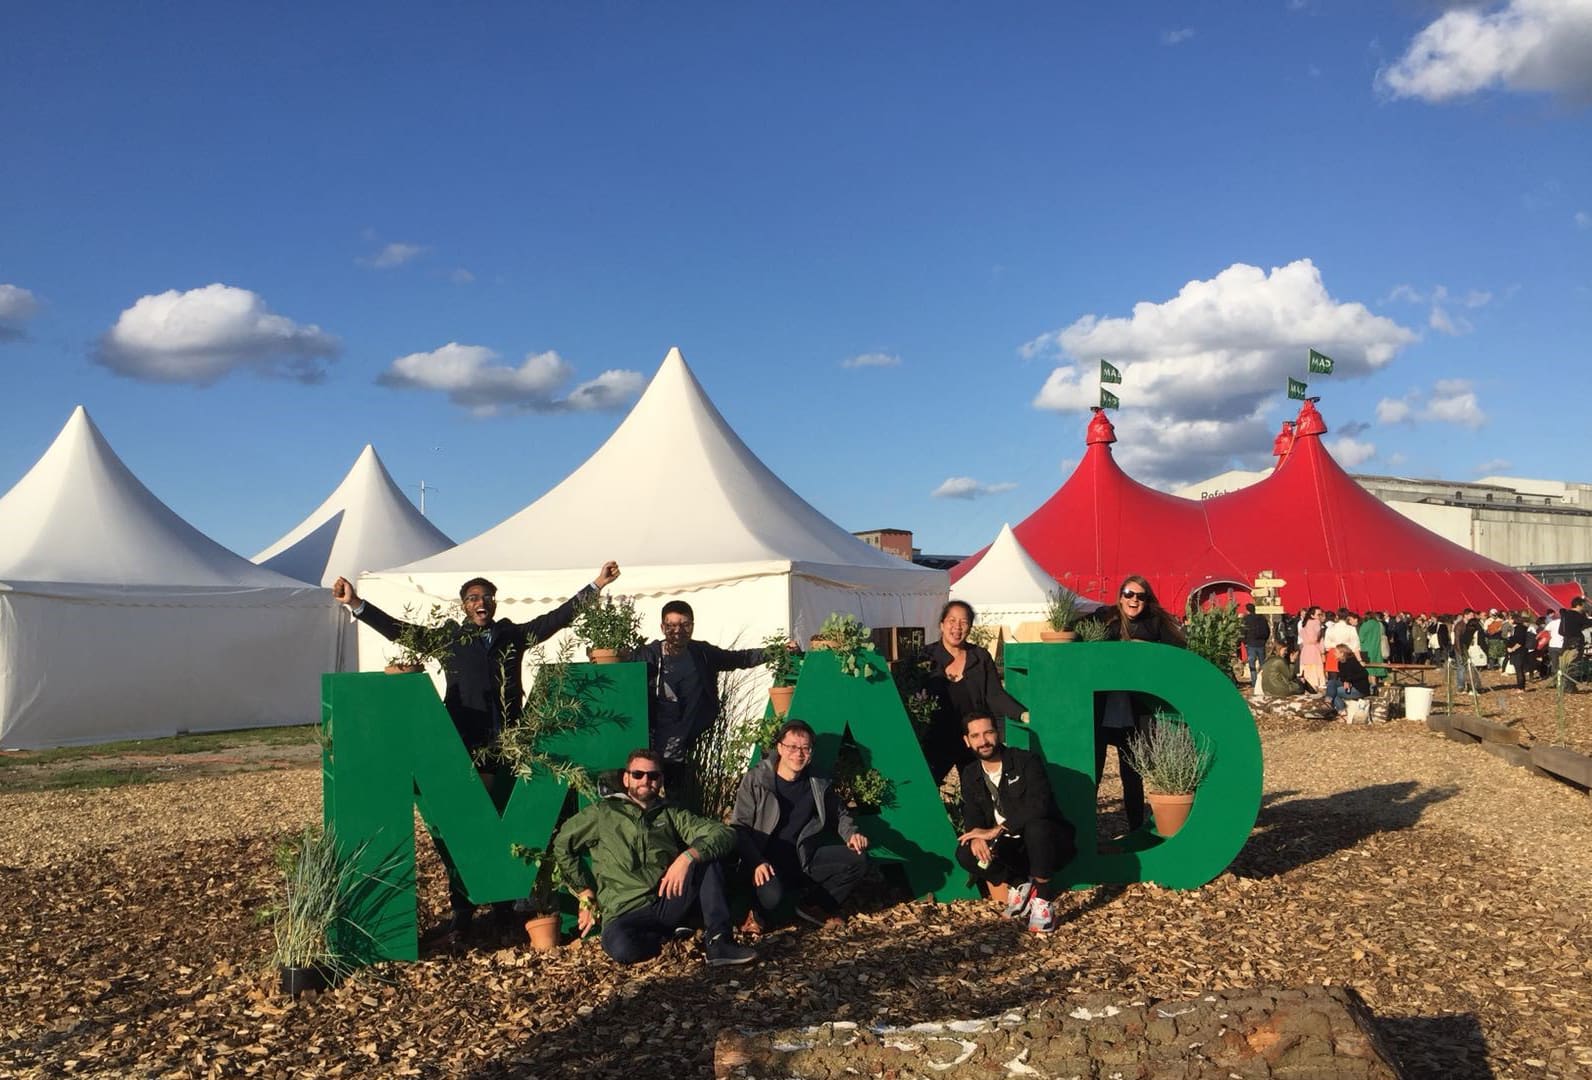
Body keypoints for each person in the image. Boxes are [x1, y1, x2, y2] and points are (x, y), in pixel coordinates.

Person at [333, 561, 621, 940]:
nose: (481, 602)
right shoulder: (450, 639)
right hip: (463, 745)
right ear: (463, 605)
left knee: (504, 826)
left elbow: (557, 618)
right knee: (462, 827)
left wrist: (597, 584)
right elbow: (402, 632)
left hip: (512, 746)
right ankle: (463, 909)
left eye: (486, 597)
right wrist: (356, 604)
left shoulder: (512, 636)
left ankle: (503, 907)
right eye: (473, 598)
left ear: (495, 603)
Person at [552, 746, 756, 967]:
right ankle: (668, 936)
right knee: (623, 949)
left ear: (660, 780)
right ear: (626, 778)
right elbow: (563, 845)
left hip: (666, 898)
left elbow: (723, 833)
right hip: (624, 909)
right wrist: (585, 891)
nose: (645, 781)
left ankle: (719, 942)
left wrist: (687, 857)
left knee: (708, 858)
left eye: (653, 775)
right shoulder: (602, 813)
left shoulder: (670, 813)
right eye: (638, 774)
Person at [627, 600, 785, 804]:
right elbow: (620, 672)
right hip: (648, 746)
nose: (678, 630)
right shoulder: (647, 655)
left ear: (693, 625)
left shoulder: (701, 653)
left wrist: (776, 651)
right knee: (644, 802)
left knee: (679, 805)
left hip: (683, 748)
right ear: (662, 627)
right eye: (671, 625)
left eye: (685, 624)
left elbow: (739, 659)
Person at [729, 719, 869, 933]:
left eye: (805, 748)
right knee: (772, 899)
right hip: (765, 862)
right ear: (780, 748)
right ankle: (754, 912)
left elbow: (838, 813)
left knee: (857, 860)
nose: (798, 754)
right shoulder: (757, 780)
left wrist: (851, 834)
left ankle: (813, 906)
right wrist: (756, 861)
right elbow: (739, 827)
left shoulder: (817, 782)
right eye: (792, 747)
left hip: (803, 857)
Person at [956, 714, 1076, 934]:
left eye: (988, 732)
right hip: (1010, 849)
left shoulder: (1025, 761)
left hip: (1048, 844)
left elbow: (1040, 804)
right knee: (965, 852)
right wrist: (974, 835)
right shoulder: (970, 773)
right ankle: (1019, 882)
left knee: (1036, 826)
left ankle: (1043, 901)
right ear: (967, 741)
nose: (983, 741)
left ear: (998, 733)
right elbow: (971, 811)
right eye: (975, 736)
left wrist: (999, 829)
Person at [1097, 576, 1186, 834]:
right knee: (1094, 771)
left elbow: (1178, 648)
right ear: (1120, 595)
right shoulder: (1106, 618)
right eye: (1128, 593)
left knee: (1133, 774)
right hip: (1101, 707)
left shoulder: (1154, 622)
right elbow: (1075, 631)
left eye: (1140, 595)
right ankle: (1086, 831)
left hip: (1132, 710)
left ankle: (1136, 828)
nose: (1134, 599)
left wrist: (1145, 647)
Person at [919, 600, 1025, 782]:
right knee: (924, 788)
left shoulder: (980, 656)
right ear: (942, 624)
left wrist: (1021, 713)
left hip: (974, 739)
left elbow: (995, 695)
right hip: (935, 740)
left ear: (970, 628)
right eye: (952, 621)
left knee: (978, 793)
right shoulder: (925, 657)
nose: (957, 627)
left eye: (964, 622)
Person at [1327, 643, 1371, 718]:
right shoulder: (1340, 663)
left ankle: (1341, 709)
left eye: (1336, 652)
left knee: (1334, 692)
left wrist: (1348, 681)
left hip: (1359, 689)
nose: (1334, 654)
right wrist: (1346, 681)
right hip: (1349, 686)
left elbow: (1364, 673)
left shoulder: (1352, 661)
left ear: (1342, 653)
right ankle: (1328, 701)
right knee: (1331, 683)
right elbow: (1343, 677)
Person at [1559, 597, 1590, 693]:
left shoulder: (1565, 615)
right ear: (1578, 605)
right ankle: (1571, 687)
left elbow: (1560, 631)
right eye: (1583, 605)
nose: (1584, 607)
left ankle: (1565, 686)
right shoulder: (1578, 615)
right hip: (1576, 642)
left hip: (1566, 642)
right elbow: (1588, 623)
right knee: (1574, 664)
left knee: (1566, 664)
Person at [1240, 603, 1270, 690]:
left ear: (1247, 610)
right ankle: (1263, 681)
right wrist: (1264, 640)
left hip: (1250, 644)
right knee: (1262, 664)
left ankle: (1254, 682)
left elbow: (1242, 632)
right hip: (1261, 643)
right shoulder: (1262, 618)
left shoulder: (1246, 619)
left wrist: (1244, 642)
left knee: (1252, 664)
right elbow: (1267, 631)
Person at [1297, 607, 1326, 693]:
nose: (1320, 616)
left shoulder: (1304, 624)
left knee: (1307, 671)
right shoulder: (1316, 623)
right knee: (1316, 672)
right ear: (1312, 615)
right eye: (1318, 614)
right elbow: (1316, 639)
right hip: (1314, 649)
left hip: (1305, 649)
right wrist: (1323, 652)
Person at [1505, 613, 1532, 692]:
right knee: (1518, 669)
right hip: (1516, 651)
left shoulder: (1520, 628)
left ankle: (1521, 687)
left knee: (1519, 669)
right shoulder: (1515, 628)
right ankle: (1520, 686)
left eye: (1510, 619)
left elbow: (1520, 641)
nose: (1509, 620)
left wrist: (1512, 648)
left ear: (1514, 620)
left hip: (1519, 652)